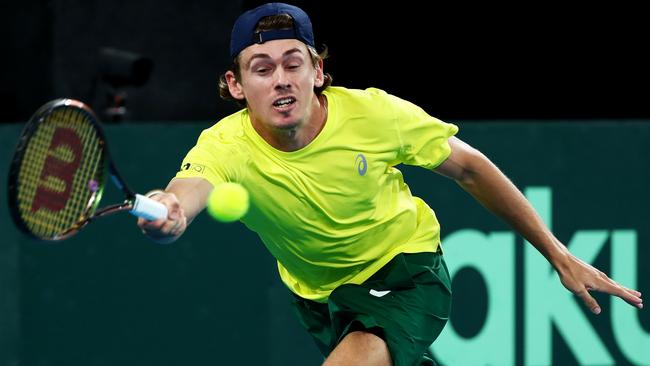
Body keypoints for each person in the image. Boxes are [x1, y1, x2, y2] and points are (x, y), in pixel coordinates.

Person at [137, 3, 643, 365]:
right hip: (319, 298)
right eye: (261, 69)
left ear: (318, 71)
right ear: (235, 85)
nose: (281, 79)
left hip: (405, 272)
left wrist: (558, 254)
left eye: (294, 63)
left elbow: (470, 167)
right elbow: (188, 192)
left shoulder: (375, 114)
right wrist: (170, 211)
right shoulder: (224, 147)